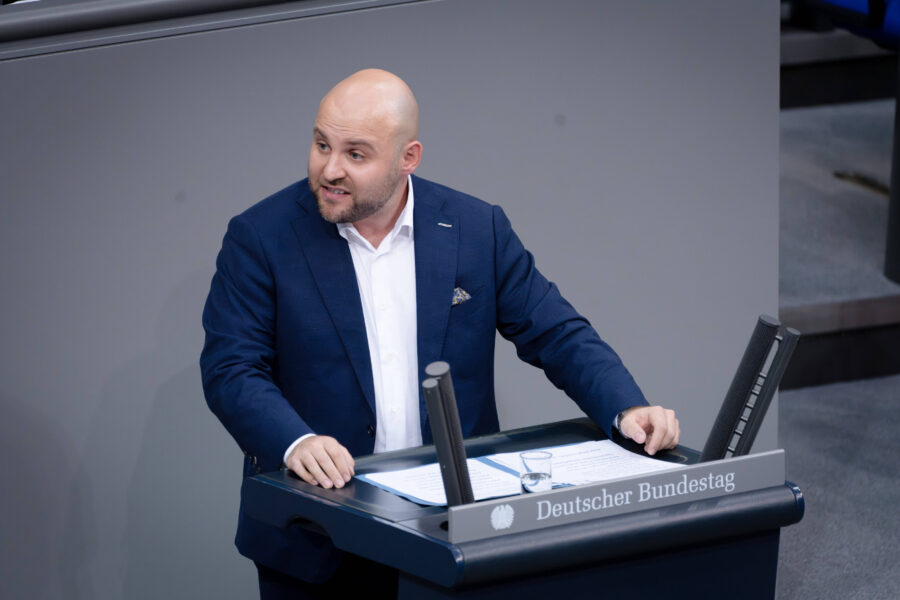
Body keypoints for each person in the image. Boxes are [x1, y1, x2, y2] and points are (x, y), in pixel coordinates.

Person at [200, 68, 680, 598]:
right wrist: (295, 442)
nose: (329, 169)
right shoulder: (260, 237)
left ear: (408, 159)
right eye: (321, 145)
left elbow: (557, 332)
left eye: (356, 154)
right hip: (318, 535)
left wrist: (626, 409)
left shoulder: (477, 229)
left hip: (453, 533)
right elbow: (231, 369)